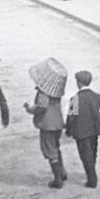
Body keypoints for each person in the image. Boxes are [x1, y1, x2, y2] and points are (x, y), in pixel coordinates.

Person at [25, 57, 68, 188]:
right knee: (56, 147)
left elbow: (42, 107)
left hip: (47, 124)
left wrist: (30, 109)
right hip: (58, 123)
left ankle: (57, 179)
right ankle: (62, 172)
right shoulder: (56, 91)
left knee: (50, 150)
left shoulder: (44, 91)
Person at [66, 70, 100, 188]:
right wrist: (98, 120)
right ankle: (92, 172)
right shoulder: (96, 96)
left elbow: (71, 117)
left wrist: (68, 131)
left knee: (84, 155)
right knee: (93, 152)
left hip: (81, 132)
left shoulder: (74, 98)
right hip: (94, 131)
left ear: (79, 83)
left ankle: (92, 179)